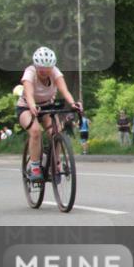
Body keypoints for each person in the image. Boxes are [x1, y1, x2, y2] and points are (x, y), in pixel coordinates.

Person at [16, 47, 82, 181]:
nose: (45, 71)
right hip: (27, 107)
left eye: (48, 68)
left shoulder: (55, 72)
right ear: (36, 65)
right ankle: (35, 167)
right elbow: (28, 93)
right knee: (35, 132)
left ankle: (55, 163)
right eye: (41, 68)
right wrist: (32, 105)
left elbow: (65, 91)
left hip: (47, 106)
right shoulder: (30, 73)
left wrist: (73, 103)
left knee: (56, 130)